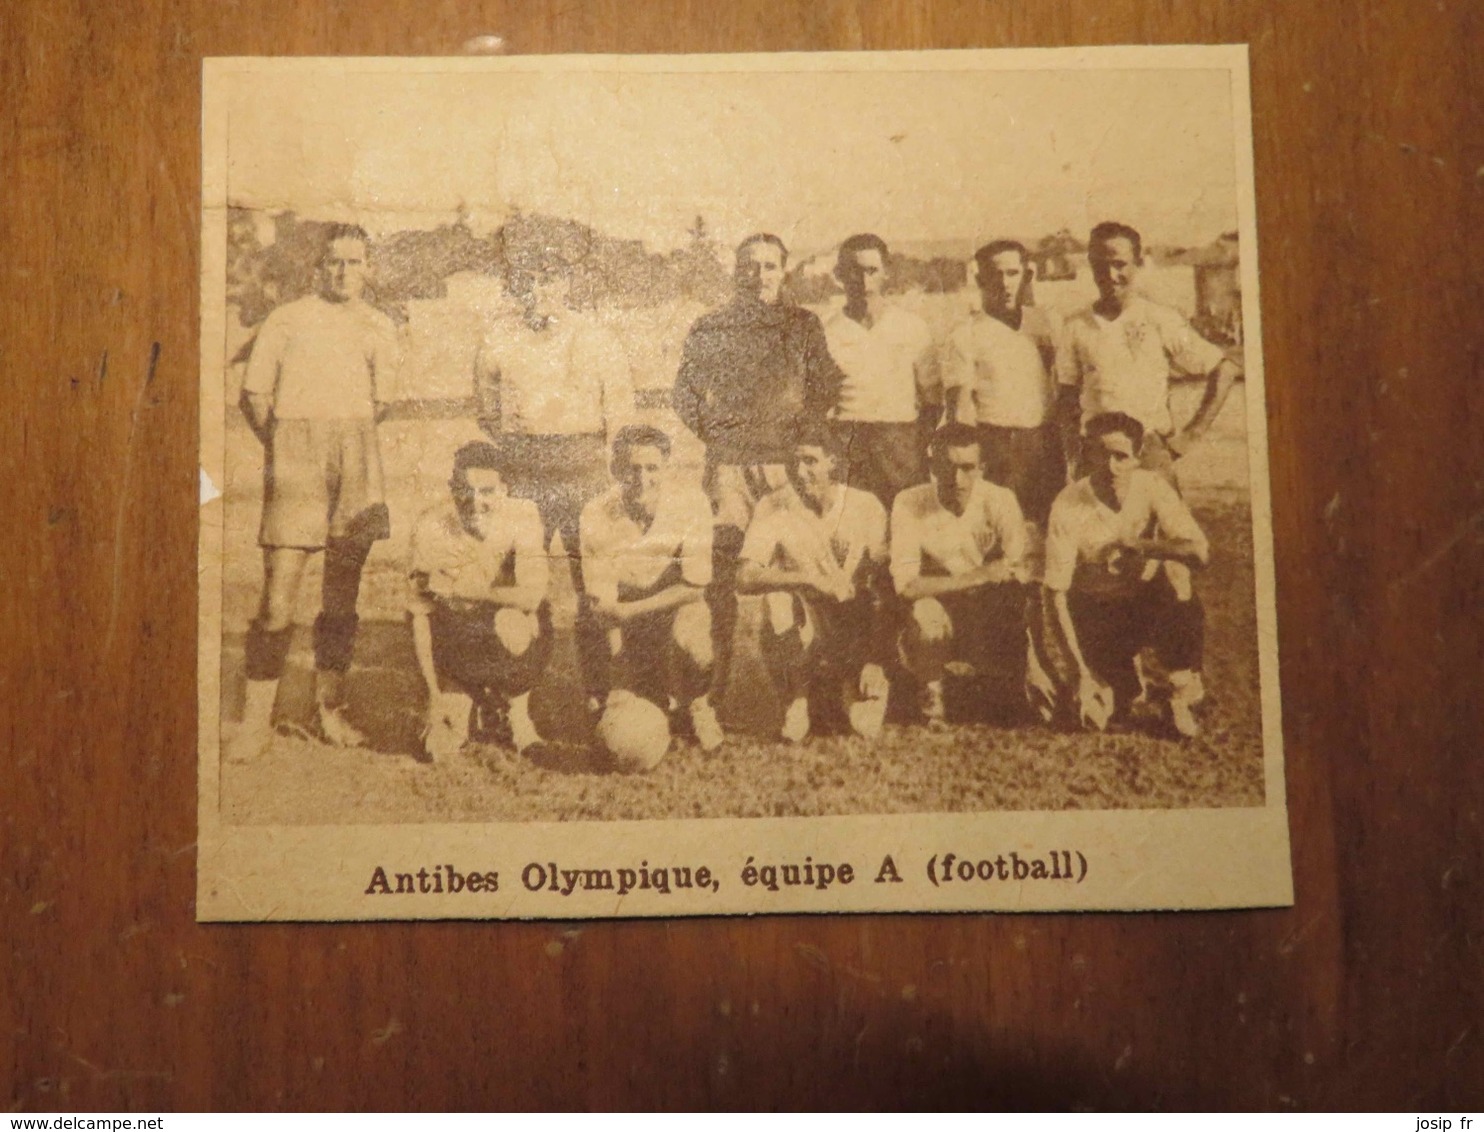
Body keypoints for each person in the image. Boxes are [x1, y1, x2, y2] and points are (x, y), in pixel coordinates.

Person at [229, 223, 400, 761]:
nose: (343, 272)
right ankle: (255, 723)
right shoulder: (287, 319)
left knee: (341, 597)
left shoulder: (379, 325)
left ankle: (330, 710)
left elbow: (382, 403)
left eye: (354, 262)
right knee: (278, 597)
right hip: (296, 451)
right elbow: (254, 397)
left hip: (355, 451)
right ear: (317, 267)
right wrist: (286, 448)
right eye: (333, 263)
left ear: (369, 269)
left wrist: (345, 442)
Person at [671, 233, 845, 703]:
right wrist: (720, 434)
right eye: (749, 266)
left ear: (784, 271)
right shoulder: (711, 326)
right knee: (723, 577)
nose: (759, 276)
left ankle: (799, 697)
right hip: (729, 471)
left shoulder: (804, 325)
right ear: (736, 271)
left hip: (783, 472)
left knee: (788, 576)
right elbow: (684, 394)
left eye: (769, 266)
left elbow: (826, 386)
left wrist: (795, 437)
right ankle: (713, 690)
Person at [473, 240, 636, 705]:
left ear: (566, 283)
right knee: (520, 583)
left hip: (585, 467)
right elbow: (487, 413)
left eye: (549, 278)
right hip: (524, 469)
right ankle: (513, 698)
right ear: (515, 286)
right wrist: (524, 449)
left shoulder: (597, 337)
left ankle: (600, 696)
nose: (539, 289)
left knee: (595, 588)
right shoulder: (498, 339)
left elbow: (619, 415)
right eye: (528, 280)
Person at [1040, 412, 1210, 737]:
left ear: (1136, 458)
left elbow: (1199, 553)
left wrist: (1142, 546)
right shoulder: (1067, 504)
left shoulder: (1152, 486)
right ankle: (1123, 679)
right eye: (1101, 454)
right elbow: (1055, 594)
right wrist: (1080, 674)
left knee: (1175, 571)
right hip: (1098, 611)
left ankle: (1179, 687)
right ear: (1085, 453)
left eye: (1121, 456)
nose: (1110, 466)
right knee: (1114, 707)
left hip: (1147, 601)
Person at [736, 423, 891, 743]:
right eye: (793, 461)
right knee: (777, 600)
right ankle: (798, 697)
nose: (799, 470)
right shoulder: (773, 505)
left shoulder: (865, 506)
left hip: (855, 622)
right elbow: (746, 576)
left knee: (863, 726)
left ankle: (856, 683)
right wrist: (807, 579)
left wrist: (875, 657)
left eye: (810, 461)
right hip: (808, 616)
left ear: (833, 461)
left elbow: (884, 586)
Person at [1055, 221, 1243, 484]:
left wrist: (1191, 436)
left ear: (1138, 263)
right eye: (1100, 264)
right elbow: (1067, 396)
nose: (1110, 274)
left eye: (1119, 264)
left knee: (1159, 521)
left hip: (1149, 450)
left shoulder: (1160, 318)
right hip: (1096, 452)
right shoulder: (1075, 325)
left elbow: (1224, 369)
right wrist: (1072, 458)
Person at [579, 425, 723, 753]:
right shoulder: (595, 513)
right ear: (616, 469)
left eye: (652, 468)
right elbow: (603, 603)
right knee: (618, 702)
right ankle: (626, 695)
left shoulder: (691, 503)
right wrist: (618, 678)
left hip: (669, 607)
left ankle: (698, 706)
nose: (643, 479)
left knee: (695, 636)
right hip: (620, 620)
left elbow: (694, 588)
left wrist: (631, 611)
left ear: (667, 468)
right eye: (633, 469)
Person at [407, 442, 552, 761]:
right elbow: (419, 617)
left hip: (508, 626)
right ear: (451, 488)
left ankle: (517, 712)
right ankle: (468, 700)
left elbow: (532, 596)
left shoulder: (523, 514)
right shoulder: (430, 526)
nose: (474, 502)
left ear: (503, 489)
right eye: (464, 489)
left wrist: (472, 592)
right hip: (460, 637)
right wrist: (432, 695)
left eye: (486, 491)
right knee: (439, 750)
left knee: (515, 623)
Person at [891, 423, 1029, 726]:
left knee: (1015, 600)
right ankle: (932, 692)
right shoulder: (909, 502)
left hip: (987, 607)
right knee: (924, 611)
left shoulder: (1001, 500)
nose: (956, 479)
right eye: (946, 466)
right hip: (941, 606)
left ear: (982, 468)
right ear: (931, 465)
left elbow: (1019, 569)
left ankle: (1006, 682)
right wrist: (974, 577)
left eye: (967, 468)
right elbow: (906, 586)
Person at [942, 240, 1064, 525]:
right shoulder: (964, 335)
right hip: (996, 446)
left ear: (1026, 277)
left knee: (1047, 530)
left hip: (1044, 445)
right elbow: (959, 409)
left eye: (1012, 273)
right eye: (995, 274)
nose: (1005, 283)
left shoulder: (1045, 324)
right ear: (979, 279)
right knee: (1000, 532)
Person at [821, 233, 939, 508]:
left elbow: (933, 400)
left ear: (887, 272)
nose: (863, 281)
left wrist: (912, 446)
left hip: (901, 446)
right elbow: (819, 404)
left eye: (871, 271)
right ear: (839, 274)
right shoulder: (826, 332)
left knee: (904, 529)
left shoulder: (913, 327)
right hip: (849, 447)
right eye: (854, 271)